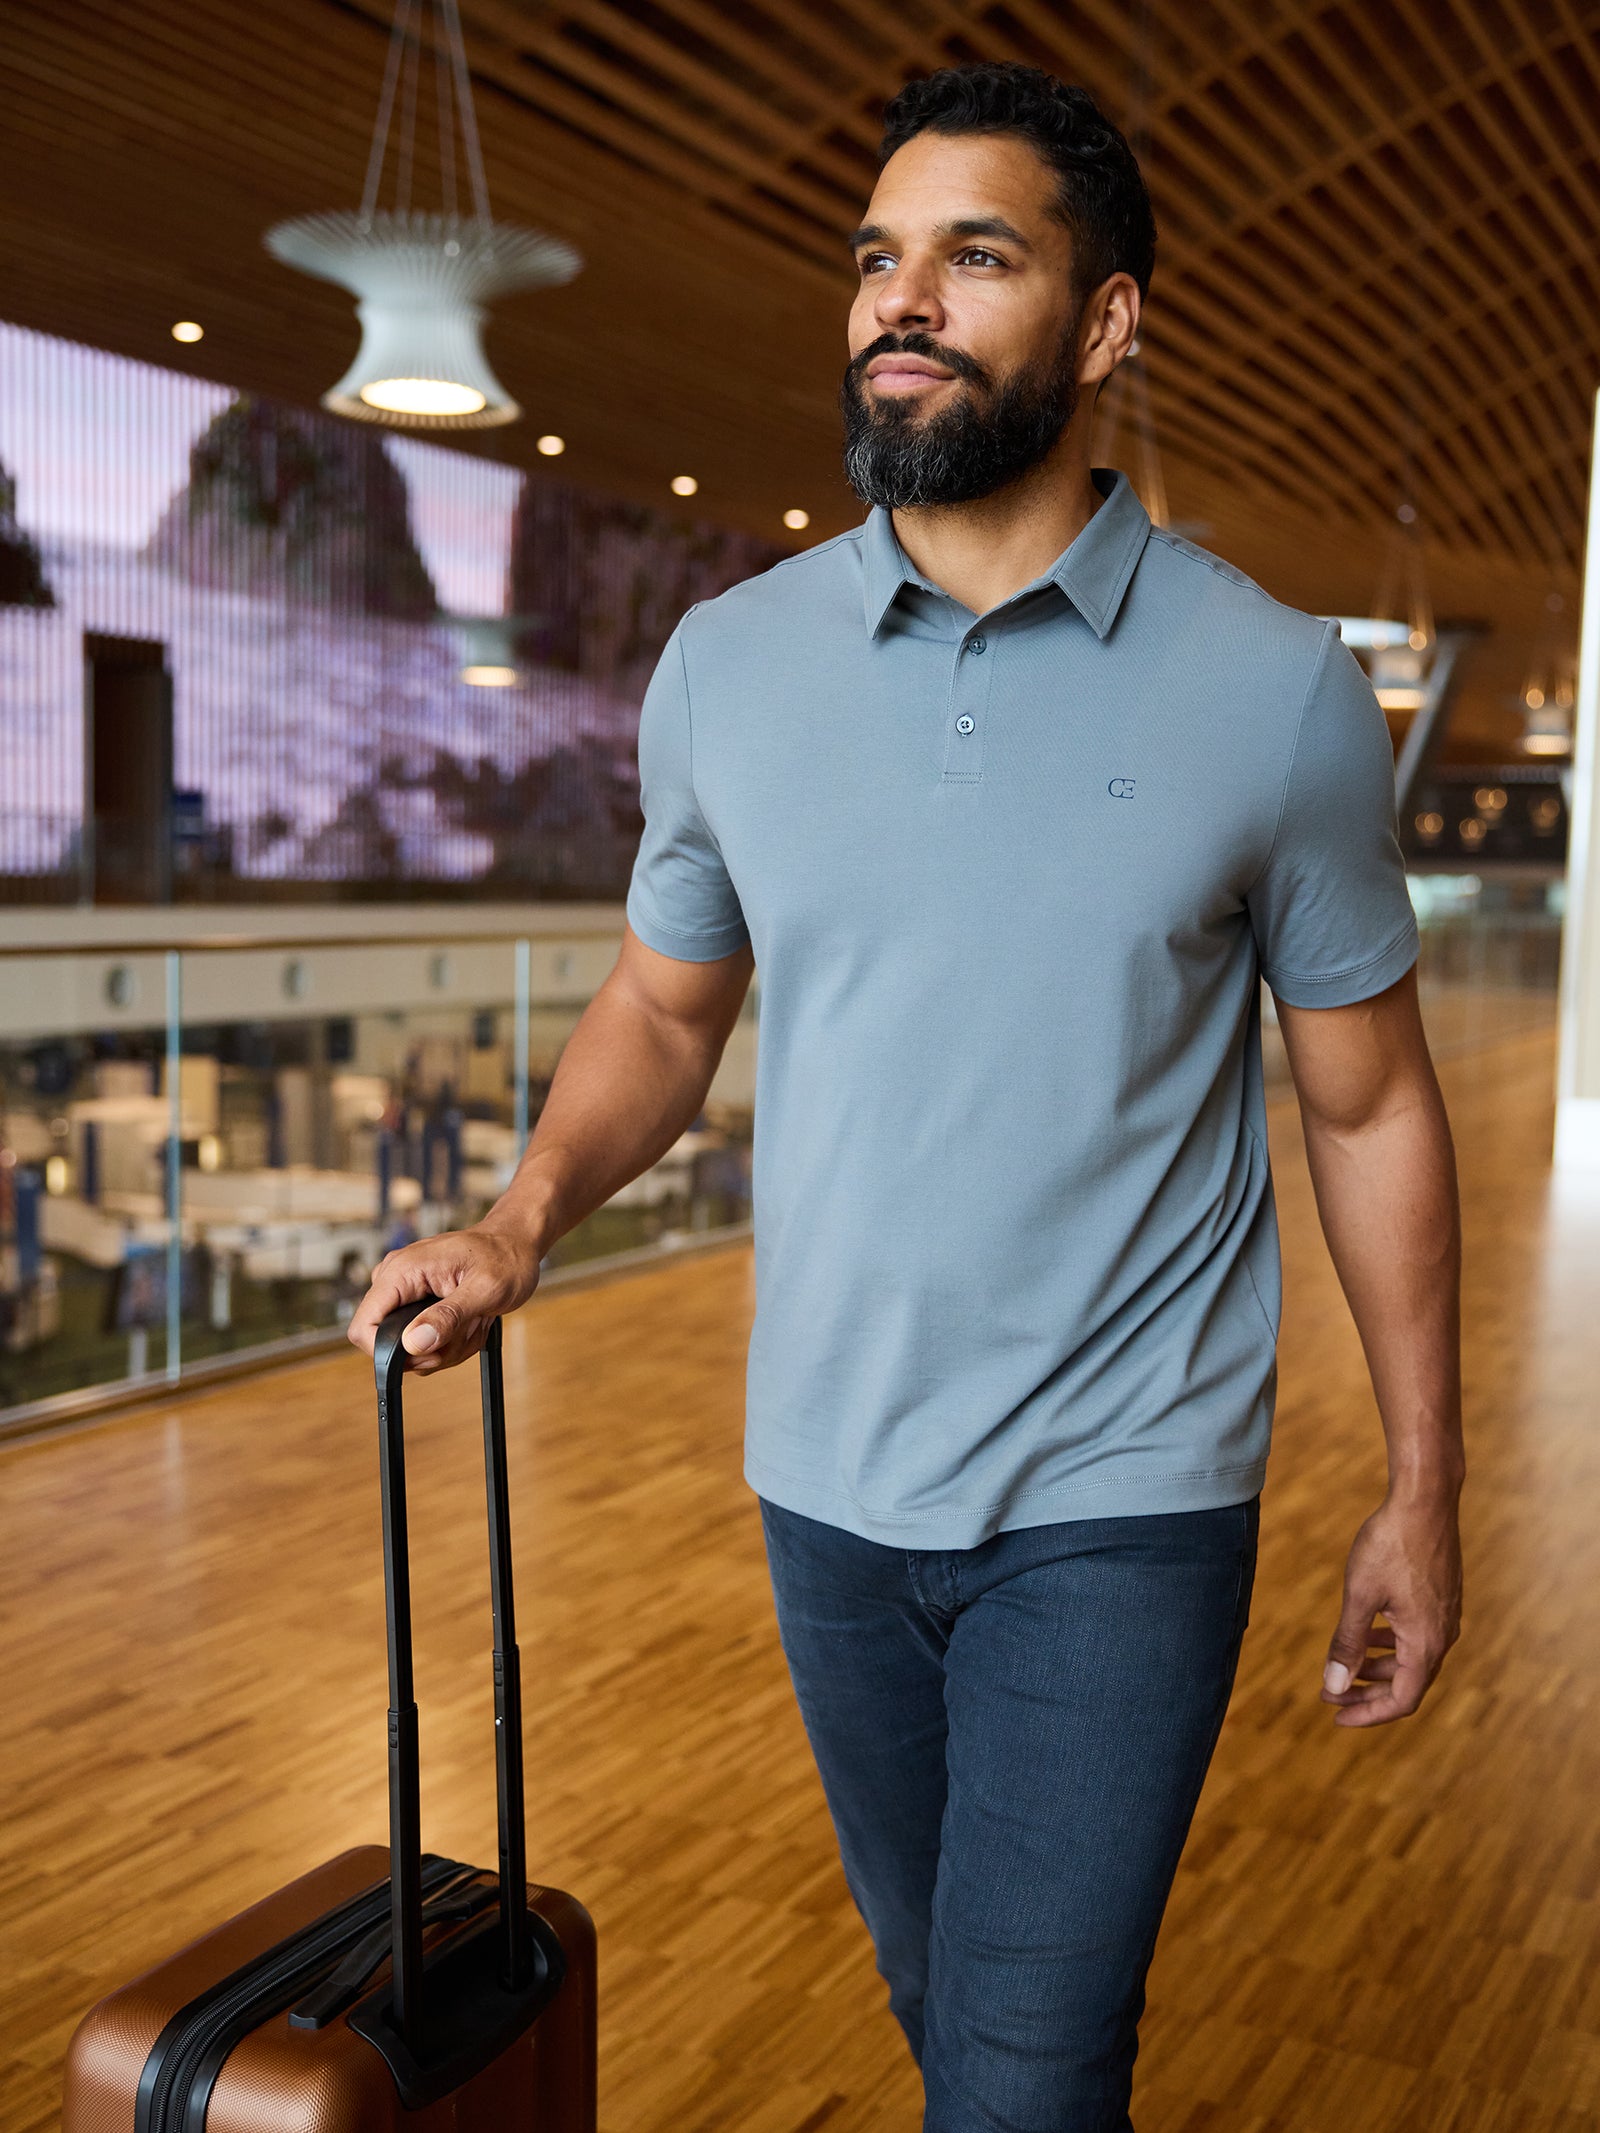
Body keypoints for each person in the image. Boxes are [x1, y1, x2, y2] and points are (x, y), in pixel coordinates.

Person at [350, 61, 1464, 2133]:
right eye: (876, 255)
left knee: (1021, 2081)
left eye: (975, 253)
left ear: (1104, 321)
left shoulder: (1272, 684)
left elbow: (1371, 1103)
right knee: (946, 2008)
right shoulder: (729, 666)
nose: (900, 299)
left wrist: (1418, 1482)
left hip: (1124, 1494)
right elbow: (663, 1014)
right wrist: (516, 1219)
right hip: (824, 1485)